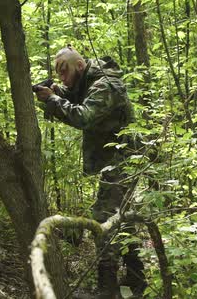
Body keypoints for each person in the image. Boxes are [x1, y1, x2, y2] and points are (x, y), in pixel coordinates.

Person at [35, 45, 146, 298]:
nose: (62, 77)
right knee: (121, 219)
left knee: (103, 219)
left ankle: (107, 289)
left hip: (124, 159)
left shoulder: (106, 84)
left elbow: (84, 115)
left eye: (64, 72)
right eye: (58, 73)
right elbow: (77, 97)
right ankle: (137, 279)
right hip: (116, 159)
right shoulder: (89, 81)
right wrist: (55, 92)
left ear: (80, 67)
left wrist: (54, 100)